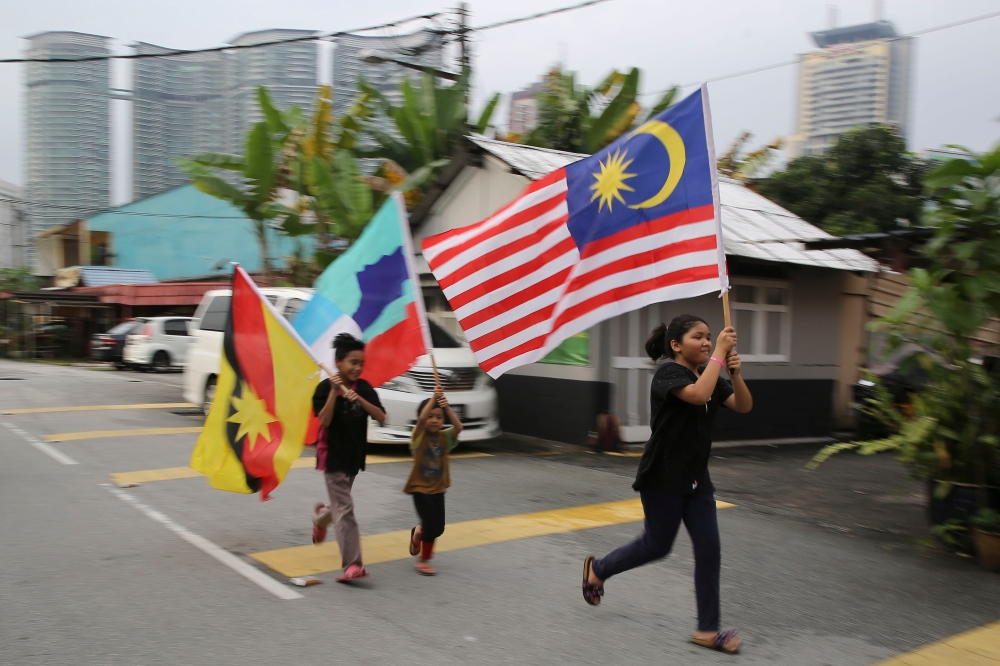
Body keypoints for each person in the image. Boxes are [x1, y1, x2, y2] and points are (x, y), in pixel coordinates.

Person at [581, 314, 753, 655]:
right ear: (676, 345)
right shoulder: (668, 375)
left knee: (709, 550)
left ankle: (707, 630)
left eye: (709, 337)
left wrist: (734, 371)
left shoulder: (712, 375)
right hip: (662, 476)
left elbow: (743, 405)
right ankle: (598, 569)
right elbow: (699, 395)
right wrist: (719, 354)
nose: (706, 342)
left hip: (696, 479)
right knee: (656, 546)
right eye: (698, 337)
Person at [311, 333, 385, 583]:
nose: (357, 367)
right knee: (345, 508)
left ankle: (321, 517)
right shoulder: (324, 388)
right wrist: (334, 393)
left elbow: (381, 416)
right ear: (338, 362)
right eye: (353, 362)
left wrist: (360, 400)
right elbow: (324, 420)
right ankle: (353, 565)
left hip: (353, 458)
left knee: (339, 506)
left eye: (361, 363)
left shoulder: (363, 387)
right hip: (331, 456)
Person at [404, 384, 463, 576]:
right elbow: (421, 419)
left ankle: (418, 532)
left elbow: (458, 427)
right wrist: (434, 397)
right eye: (431, 416)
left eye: (438, 417)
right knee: (431, 523)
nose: (434, 420)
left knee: (438, 528)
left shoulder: (445, 437)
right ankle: (423, 560)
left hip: (439, 488)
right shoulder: (418, 437)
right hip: (420, 488)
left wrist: (446, 407)